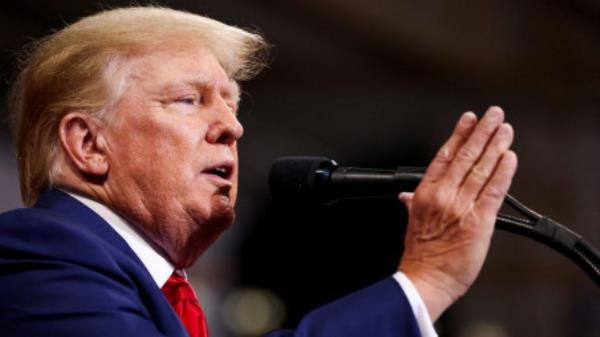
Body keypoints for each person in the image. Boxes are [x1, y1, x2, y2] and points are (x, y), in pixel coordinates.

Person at [0, 6, 517, 337]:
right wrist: (422, 283)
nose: (232, 127)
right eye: (189, 100)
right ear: (89, 144)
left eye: (232, 104)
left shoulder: (154, 286)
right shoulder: (37, 253)